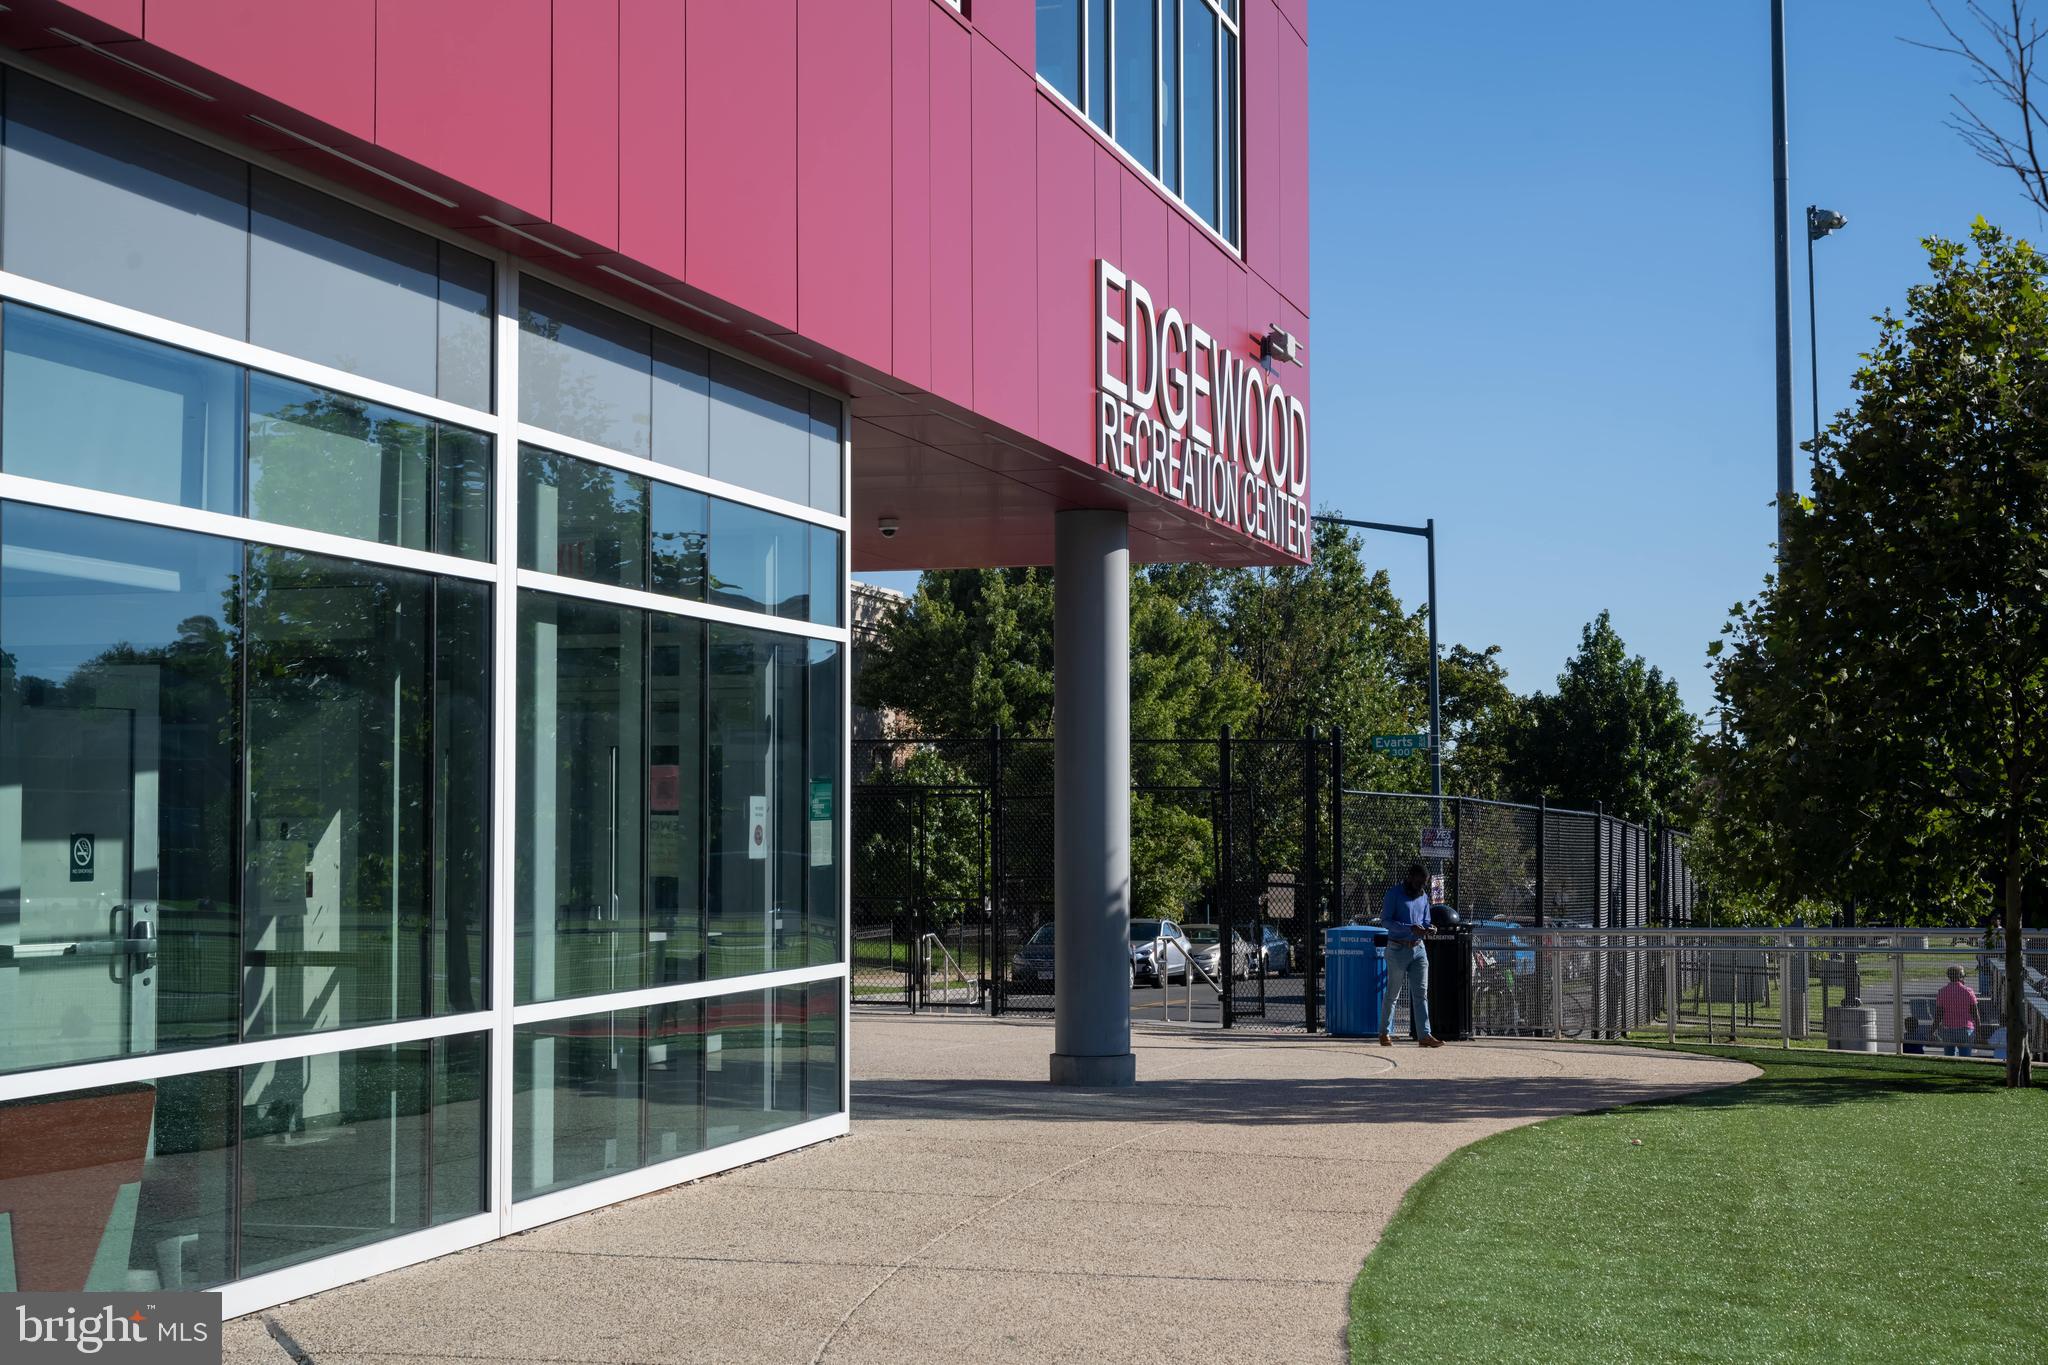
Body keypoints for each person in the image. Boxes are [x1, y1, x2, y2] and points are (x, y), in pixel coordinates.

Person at [1380, 862, 1442, 1048]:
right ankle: (1384, 1032)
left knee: (1421, 994)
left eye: (1424, 883)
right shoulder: (1394, 894)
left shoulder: (1423, 896)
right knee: (1393, 993)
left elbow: (1425, 920)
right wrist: (1409, 928)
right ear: (1409, 878)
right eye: (1418, 883)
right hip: (1397, 948)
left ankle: (1425, 1035)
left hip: (1418, 949)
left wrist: (1429, 928)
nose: (1421, 887)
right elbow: (1385, 921)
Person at [1934, 965, 1979, 1057]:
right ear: (1961, 976)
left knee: (1949, 1057)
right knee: (1965, 1057)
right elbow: (1975, 1013)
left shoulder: (1942, 991)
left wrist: (1933, 1030)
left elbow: (1938, 1014)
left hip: (1948, 1029)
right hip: (1965, 1029)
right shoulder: (1968, 991)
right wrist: (1979, 1030)